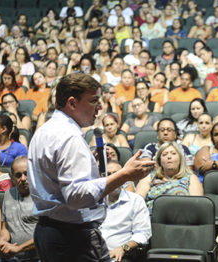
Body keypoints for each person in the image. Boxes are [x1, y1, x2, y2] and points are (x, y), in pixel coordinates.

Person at [28, 73, 156, 262]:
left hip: (49, 231)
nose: (100, 107)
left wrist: (88, 165)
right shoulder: (69, 137)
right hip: (73, 239)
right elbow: (76, 197)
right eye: (94, 100)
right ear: (72, 103)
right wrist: (125, 175)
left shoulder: (44, 131)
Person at [100, 161, 151, 262]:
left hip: (121, 255)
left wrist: (123, 248)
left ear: (124, 178)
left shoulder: (135, 200)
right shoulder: (93, 201)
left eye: (116, 173)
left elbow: (143, 233)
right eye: (108, 174)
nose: (113, 178)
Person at [136, 141, 203, 213]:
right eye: (164, 154)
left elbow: (197, 207)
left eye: (173, 153)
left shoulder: (191, 178)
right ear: (159, 160)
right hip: (152, 219)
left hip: (182, 219)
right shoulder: (149, 177)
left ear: (180, 159)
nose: (169, 157)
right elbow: (137, 202)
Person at [0, 156, 39, 261]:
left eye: (26, 173)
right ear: (13, 178)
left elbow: (45, 234)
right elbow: (5, 228)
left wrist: (19, 248)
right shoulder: (8, 194)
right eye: (18, 175)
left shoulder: (42, 196)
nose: (23, 179)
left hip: (38, 256)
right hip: (14, 257)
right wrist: (1, 242)